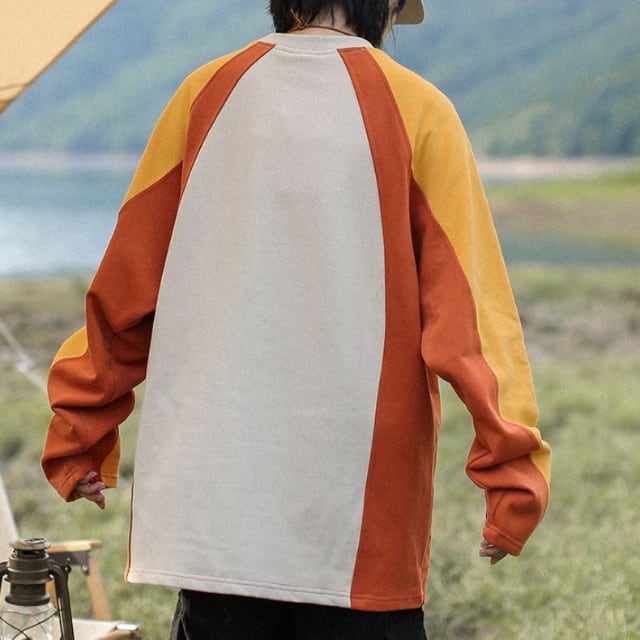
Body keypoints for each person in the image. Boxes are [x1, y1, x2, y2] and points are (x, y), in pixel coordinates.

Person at [42, 0, 551, 638]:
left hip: (215, 520)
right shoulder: (420, 109)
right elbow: (472, 318)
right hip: (359, 531)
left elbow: (125, 288)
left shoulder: (205, 93)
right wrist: (512, 475)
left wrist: (80, 431)